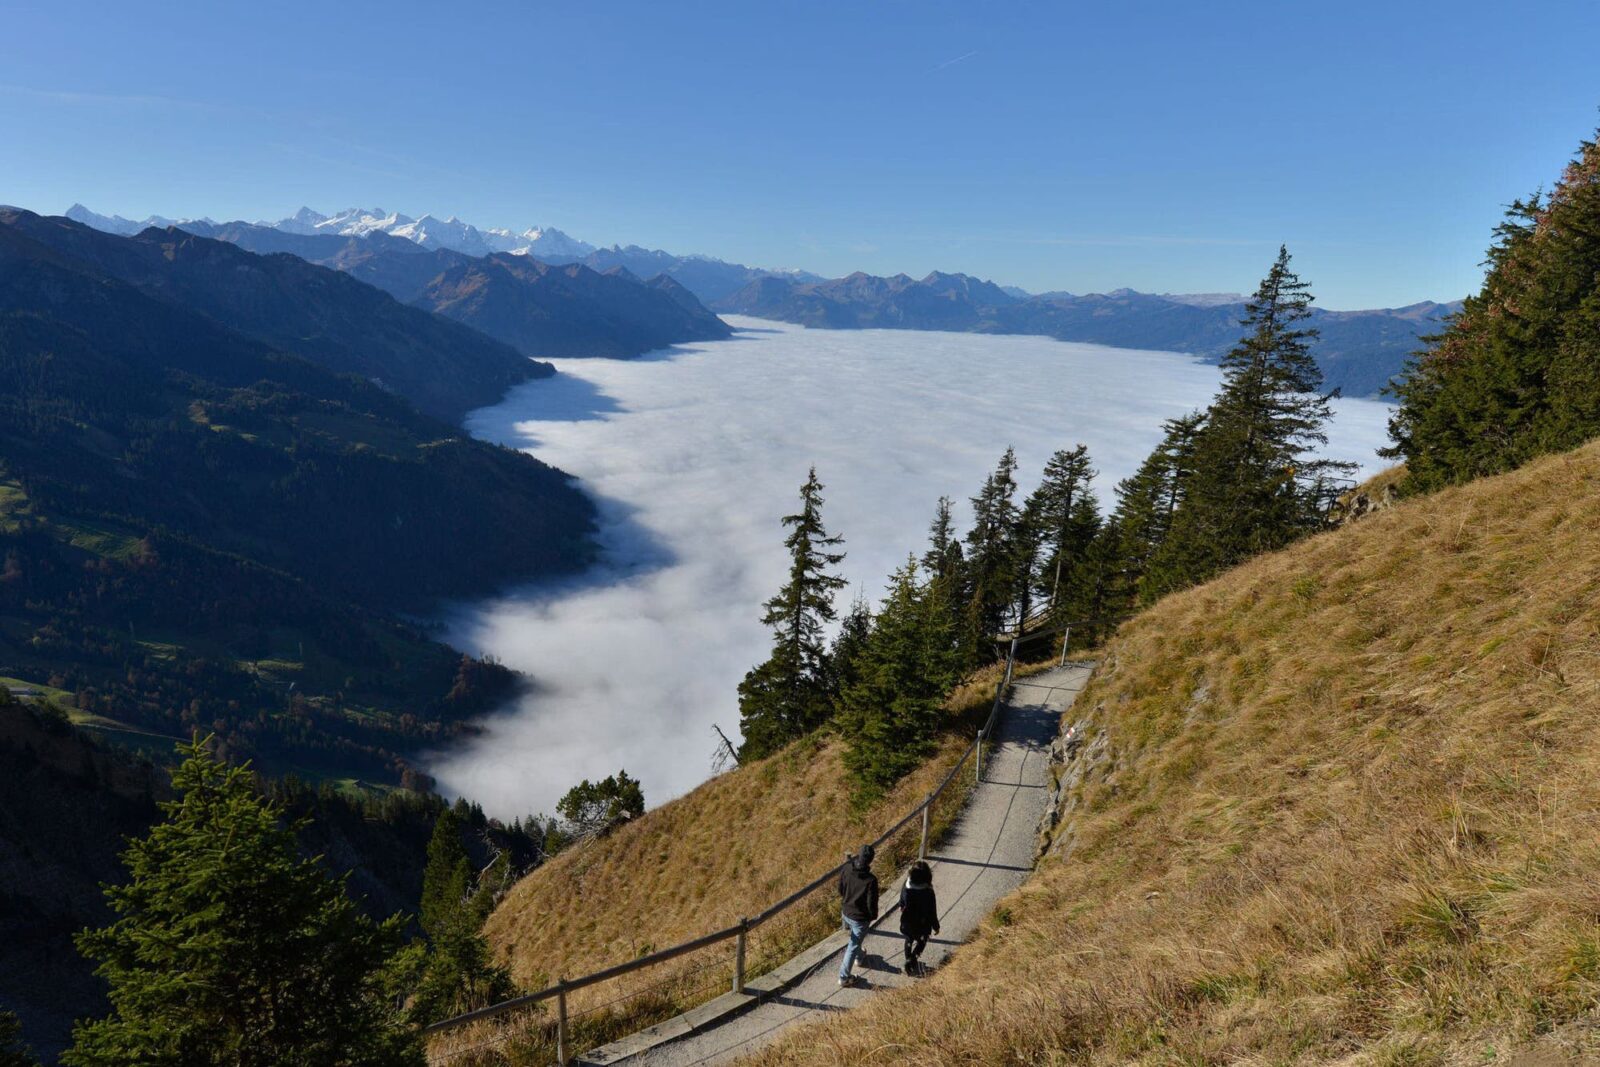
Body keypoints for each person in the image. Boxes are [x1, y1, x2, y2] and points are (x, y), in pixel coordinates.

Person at [837, 843, 878, 987]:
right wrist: (872, 916)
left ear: (858, 855)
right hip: (860, 918)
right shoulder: (871, 880)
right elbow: (871, 904)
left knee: (855, 940)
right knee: (852, 946)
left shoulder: (847, 868)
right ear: (871, 860)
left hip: (846, 911)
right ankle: (843, 977)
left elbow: (840, 888)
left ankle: (860, 957)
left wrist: (846, 901)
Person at [898, 861, 939, 974]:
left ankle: (907, 959)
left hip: (907, 921)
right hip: (922, 922)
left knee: (908, 939)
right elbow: (932, 911)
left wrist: (902, 906)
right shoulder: (928, 891)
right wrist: (936, 926)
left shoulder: (906, 885)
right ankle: (913, 959)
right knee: (922, 941)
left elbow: (901, 901)